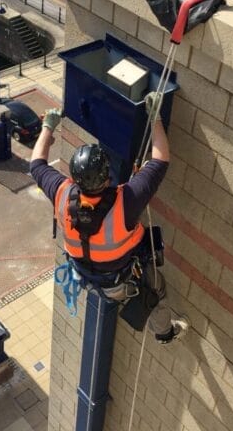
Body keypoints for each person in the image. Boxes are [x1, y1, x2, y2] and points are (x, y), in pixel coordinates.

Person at [30, 92, 188, 344]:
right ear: (107, 179)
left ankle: (163, 330)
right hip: (121, 279)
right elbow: (160, 160)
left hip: (89, 277)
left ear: (74, 178)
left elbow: (36, 164)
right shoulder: (126, 201)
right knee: (156, 289)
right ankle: (164, 333)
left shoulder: (62, 193)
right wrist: (156, 117)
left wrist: (48, 126)